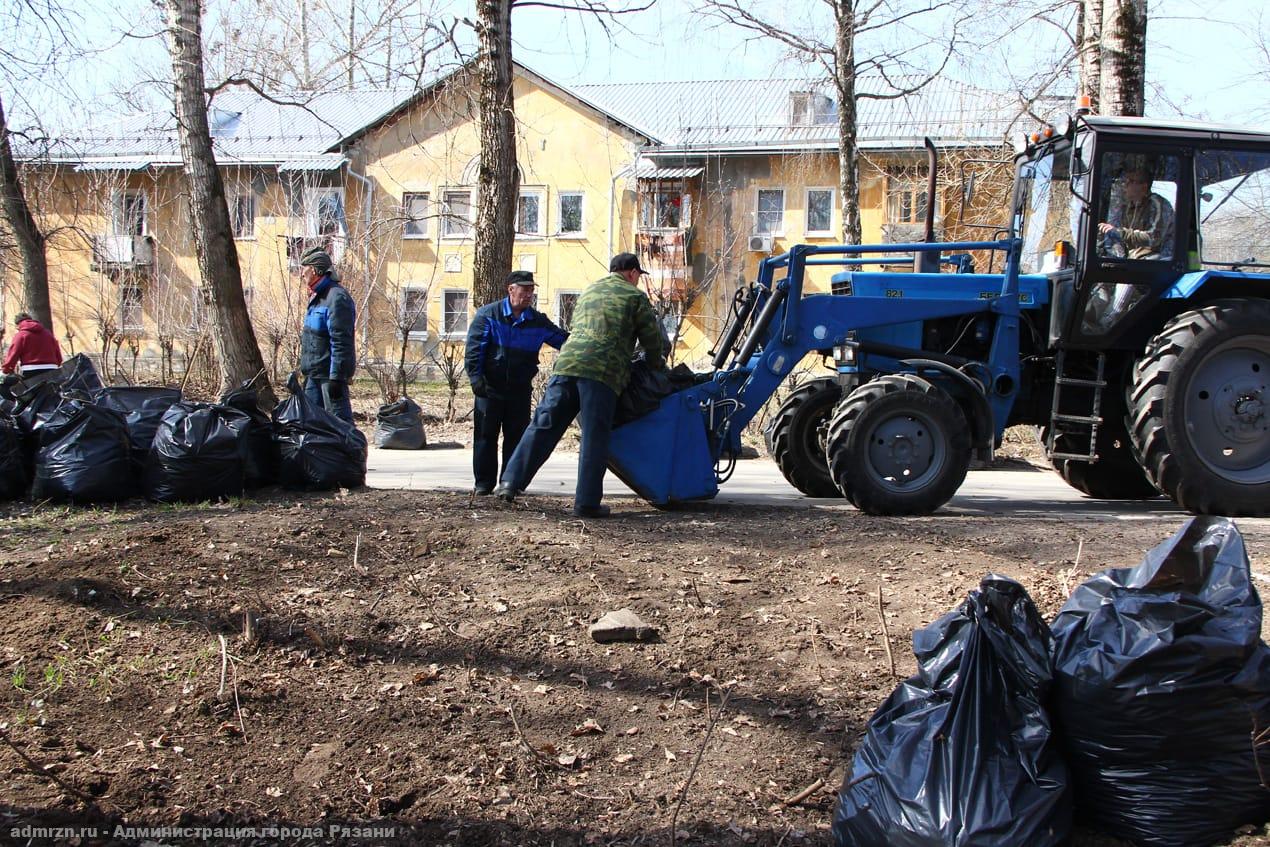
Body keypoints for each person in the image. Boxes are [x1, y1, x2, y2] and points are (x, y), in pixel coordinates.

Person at [495, 253, 667, 518]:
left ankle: (509, 483)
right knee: (594, 437)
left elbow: (577, 327)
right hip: (602, 372)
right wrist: (657, 367)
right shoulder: (634, 298)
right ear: (632, 273)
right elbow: (651, 339)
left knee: (543, 425)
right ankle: (586, 503)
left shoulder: (589, 292)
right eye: (637, 277)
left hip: (567, 365)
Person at [465, 270, 568, 495]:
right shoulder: (488, 315)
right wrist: (476, 378)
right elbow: (474, 351)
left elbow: (564, 341)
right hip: (489, 388)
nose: (529, 294)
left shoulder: (537, 321)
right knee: (485, 437)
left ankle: (507, 485)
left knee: (516, 438)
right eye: (524, 289)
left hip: (520, 391)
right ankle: (483, 484)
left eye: (531, 289)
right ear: (511, 290)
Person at [298, 246, 356, 423]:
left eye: (304, 268)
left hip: (329, 378)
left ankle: (350, 451)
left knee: (340, 427)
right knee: (312, 427)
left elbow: (341, 342)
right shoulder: (316, 298)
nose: (302, 274)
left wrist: (337, 379)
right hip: (313, 377)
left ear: (315, 270)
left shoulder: (336, 298)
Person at [1098, 161, 1175, 260]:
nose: (1125, 185)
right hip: (1134, 259)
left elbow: (1153, 238)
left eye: (1130, 181)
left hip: (1159, 260)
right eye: (1125, 180)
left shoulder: (1158, 204)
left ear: (1144, 186)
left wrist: (1120, 233)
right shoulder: (1127, 207)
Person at [2, 312, 63, 390]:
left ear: (17, 325)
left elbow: (13, 355)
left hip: (30, 371)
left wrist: (6, 370)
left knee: (2, 382)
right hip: (52, 370)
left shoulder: (21, 335)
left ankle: (18, 402)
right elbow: (58, 355)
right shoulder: (48, 333)